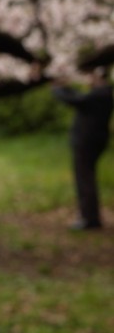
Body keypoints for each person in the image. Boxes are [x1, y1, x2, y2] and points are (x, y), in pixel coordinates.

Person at [52, 68, 113, 230]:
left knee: (84, 179)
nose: (88, 80)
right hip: (93, 141)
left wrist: (57, 89)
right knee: (87, 178)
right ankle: (89, 216)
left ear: (98, 76)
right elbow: (80, 97)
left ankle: (89, 218)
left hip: (87, 142)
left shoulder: (100, 94)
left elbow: (76, 100)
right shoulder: (102, 94)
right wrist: (64, 88)